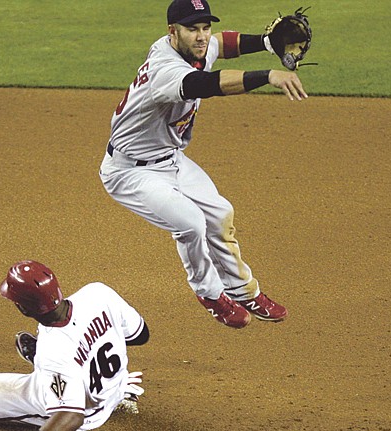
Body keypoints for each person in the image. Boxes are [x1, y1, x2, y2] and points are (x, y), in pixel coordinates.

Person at [99, 0, 305, 329]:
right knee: (191, 223)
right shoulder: (165, 67)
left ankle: (243, 290)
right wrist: (267, 75)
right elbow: (204, 86)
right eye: (192, 29)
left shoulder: (196, 47)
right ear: (172, 32)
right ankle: (209, 292)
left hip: (170, 158)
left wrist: (264, 43)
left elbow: (222, 44)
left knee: (220, 214)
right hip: (130, 171)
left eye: (204, 27)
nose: (202, 36)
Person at [0, 260, 149, 431]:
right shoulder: (98, 293)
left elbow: (71, 417)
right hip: (116, 383)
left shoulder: (53, 350)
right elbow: (140, 336)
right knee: (65, 362)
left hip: (89, 413)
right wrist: (90, 343)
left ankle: (53, 376)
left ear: (24, 309)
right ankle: (71, 375)